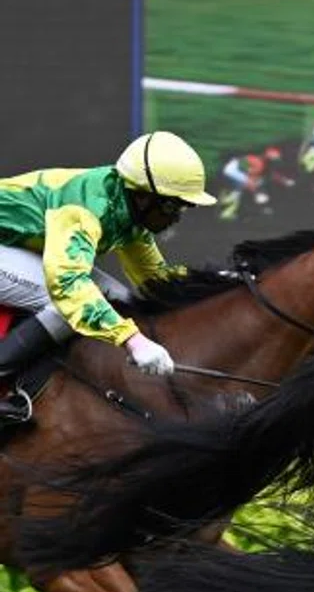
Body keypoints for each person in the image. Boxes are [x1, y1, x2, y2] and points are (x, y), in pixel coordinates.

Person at [0, 130, 216, 424]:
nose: (176, 216)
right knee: (66, 303)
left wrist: (214, 285)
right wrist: (133, 342)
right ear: (142, 196)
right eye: (172, 205)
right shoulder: (89, 206)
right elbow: (68, 284)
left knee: (122, 299)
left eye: (183, 207)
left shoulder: (127, 210)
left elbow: (154, 280)